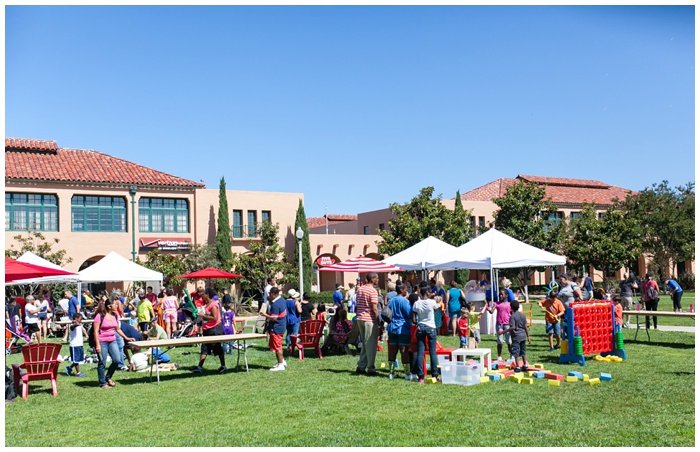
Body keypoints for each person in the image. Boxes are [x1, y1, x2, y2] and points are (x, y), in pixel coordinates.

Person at [93, 298, 135, 389]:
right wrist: (97, 345)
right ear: (109, 306)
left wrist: (126, 338)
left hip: (112, 340)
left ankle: (108, 377)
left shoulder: (115, 315)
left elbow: (118, 329)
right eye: (115, 304)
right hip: (102, 341)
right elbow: (95, 331)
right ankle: (102, 383)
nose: (117, 306)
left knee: (117, 360)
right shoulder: (99, 316)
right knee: (102, 363)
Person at [191, 294, 227, 373]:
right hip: (207, 329)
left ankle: (223, 366)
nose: (201, 299)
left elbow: (215, 318)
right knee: (204, 348)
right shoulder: (206, 304)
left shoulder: (213, 304)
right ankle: (199, 368)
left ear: (207, 296)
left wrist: (203, 316)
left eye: (202, 297)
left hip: (214, 329)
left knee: (217, 347)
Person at [412, 286, 440, 383]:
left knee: (420, 353)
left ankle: (420, 377)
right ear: (427, 292)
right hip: (431, 327)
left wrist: (417, 324)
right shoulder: (432, 302)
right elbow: (436, 309)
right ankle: (435, 375)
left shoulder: (416, 303)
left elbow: (413, 318)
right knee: (432, 352)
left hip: (420, 327)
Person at [385, 283, 412, 380]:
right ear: (402, 290)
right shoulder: (404, 301)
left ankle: (391, 373)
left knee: (392, 350)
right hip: (403, 328)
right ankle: (407, 374)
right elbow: (409, 314)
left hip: (392, 328)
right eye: (406, 289)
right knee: (404, 351)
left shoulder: (391, 300)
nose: (407, 291)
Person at [355, 272, 380, 376]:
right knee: (371, 344)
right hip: (369, 319)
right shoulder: (373, 291)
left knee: (365, 344)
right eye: (377, 278)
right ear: (373, 279)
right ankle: (370, 367)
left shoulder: (360, 289)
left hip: (360, 318)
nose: (378, 280)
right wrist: (378, 321)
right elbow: (374, 308)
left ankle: (361, 366)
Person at [497, 300, 531, 373]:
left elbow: (513, 327)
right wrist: (528, 336)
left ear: (511, 308)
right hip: (523, 336)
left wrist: (502, 332)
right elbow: (525, 326)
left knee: (516, 352)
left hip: (516, 337)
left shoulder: (513, 316)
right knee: (523, 351)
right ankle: (525, 365)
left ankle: (518, 367)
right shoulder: (523, 315)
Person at [260, 287, 287, 371]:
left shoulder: (275, 304)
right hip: (282, 326)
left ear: (272, 294)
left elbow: (274, 318)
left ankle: (280, 365)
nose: (268, 295)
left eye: (269, 294)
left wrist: (264, 315)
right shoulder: (282, 300)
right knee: (276, 346)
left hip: (276, 327)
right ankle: (281, 361)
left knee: (278, 346)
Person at [487, 289, 512, 361]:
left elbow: (512, 313)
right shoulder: (497, 304)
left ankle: (511, 355)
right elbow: (492, 311)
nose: (500, 296)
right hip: (499, 325)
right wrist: (487, 308)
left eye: (502, 294)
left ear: (506, 295)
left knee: (509, 341)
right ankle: (499, 356)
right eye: (500, 294)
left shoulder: (509, 304)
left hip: (507, 324)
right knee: (500, 341)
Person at [65, 313, 88, 377]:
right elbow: (72, 328)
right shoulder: (72, 325)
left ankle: (69, 368)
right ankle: (78, 373)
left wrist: (86, 335)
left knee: (78, 359)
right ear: (76, 319)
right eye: (80, 319)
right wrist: (75, 324)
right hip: (74, 345)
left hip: (79, 344)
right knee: (76, 359)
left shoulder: (80, 325)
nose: (81, 321)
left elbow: (83, 329)